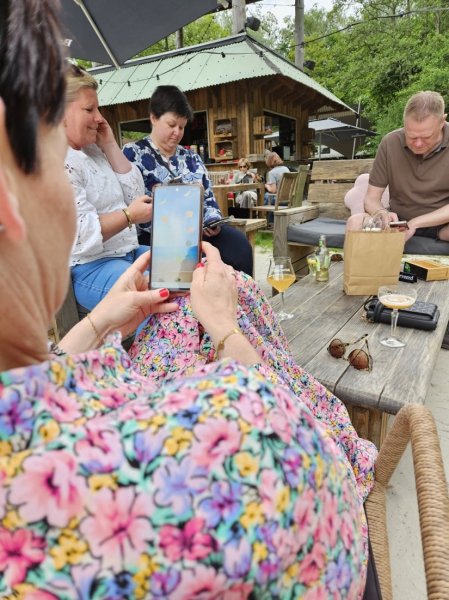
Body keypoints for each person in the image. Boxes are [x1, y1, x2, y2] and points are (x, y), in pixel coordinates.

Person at [0, 1, 377, 597]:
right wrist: (225, 331)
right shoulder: (236, 430)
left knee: (219, 257)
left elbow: (184, 199)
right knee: (215, 300)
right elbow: (317, 473)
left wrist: (94, 326)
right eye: (52, 156)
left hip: (132, 278)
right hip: (283, 439)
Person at [123, 86, 253, 276]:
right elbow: (135, 207)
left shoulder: (192, 157)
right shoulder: (132, 154)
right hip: (158, 238)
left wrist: (212, 221)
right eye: (171, 125)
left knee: (240, 247)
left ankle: (240, 295)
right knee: (201, 264)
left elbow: (208, 199)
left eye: (182, 127)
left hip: (199, 232)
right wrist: (183, 227)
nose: (177, 132)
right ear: (153, 118)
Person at [65, 64, 153, 311]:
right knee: (159, 295)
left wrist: (110, 144)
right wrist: (129, 215)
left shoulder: (93, 151)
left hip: (129, 252)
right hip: (90, 267)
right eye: (89, 109)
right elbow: (79, 234)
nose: (99, 118)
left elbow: (136, 195)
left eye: (98, 108)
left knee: (194, 269)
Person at [347, 91, 449, 243]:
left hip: (443, 225)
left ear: (442, 122)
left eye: (426, 137)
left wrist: (415, 223)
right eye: (411, 136)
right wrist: (381, 213)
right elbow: (371, 199)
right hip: (397, 223)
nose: (418, 144)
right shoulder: (390, 142)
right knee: (355, 222)